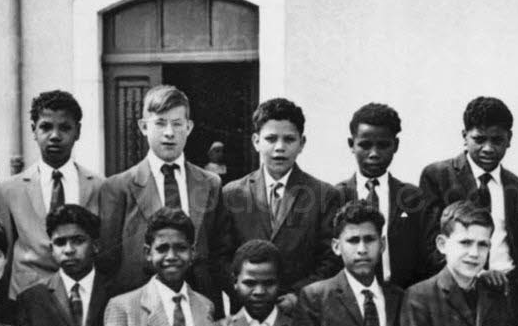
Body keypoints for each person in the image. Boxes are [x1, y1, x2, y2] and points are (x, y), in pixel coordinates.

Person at [98, 85, 226, 304]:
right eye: (159, 123)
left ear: (189, 127)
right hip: (140, 305)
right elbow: (107, 262)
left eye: (177, 124)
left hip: (199, 304)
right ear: (143, 127)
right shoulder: (118, 187)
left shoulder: (210, 184)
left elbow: (219, 252)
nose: (169, 132)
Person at [215, 97, 343, 303]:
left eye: (289, 139)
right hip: (247, 309)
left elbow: (330, 259)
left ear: (302, 143)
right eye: (271, 139)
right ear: (256, 141)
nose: (280, 147)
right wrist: (246, 292)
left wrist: (297, 296)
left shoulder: (323, 195)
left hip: (302, 310)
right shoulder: (232, 194)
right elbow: (221, 257)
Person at [418, 96, 518, 315]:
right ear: (465, 136)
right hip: (457, 292)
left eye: (497, 140)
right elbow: (431, 243)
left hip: (508, 293)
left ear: (509, 139)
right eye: (479, 139)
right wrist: (475, 273)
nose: (488, 148)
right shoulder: (438, 176)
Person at [0, 89, 106, 297]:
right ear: (33, 130)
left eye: (65, 128)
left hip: (80, 294)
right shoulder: (9, 190)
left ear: (78, 132)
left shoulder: (100, 186)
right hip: (27, 295)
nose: (55, 136)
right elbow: (4, 254)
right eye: (46, 127)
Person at [334, 102, 431, 288]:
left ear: (396, 145)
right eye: (365, 145)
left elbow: (424, 254)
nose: (374, 154)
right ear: (351, 145)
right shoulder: (336, 196)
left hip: (403, 293)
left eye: (383, 145)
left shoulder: (412, 197)